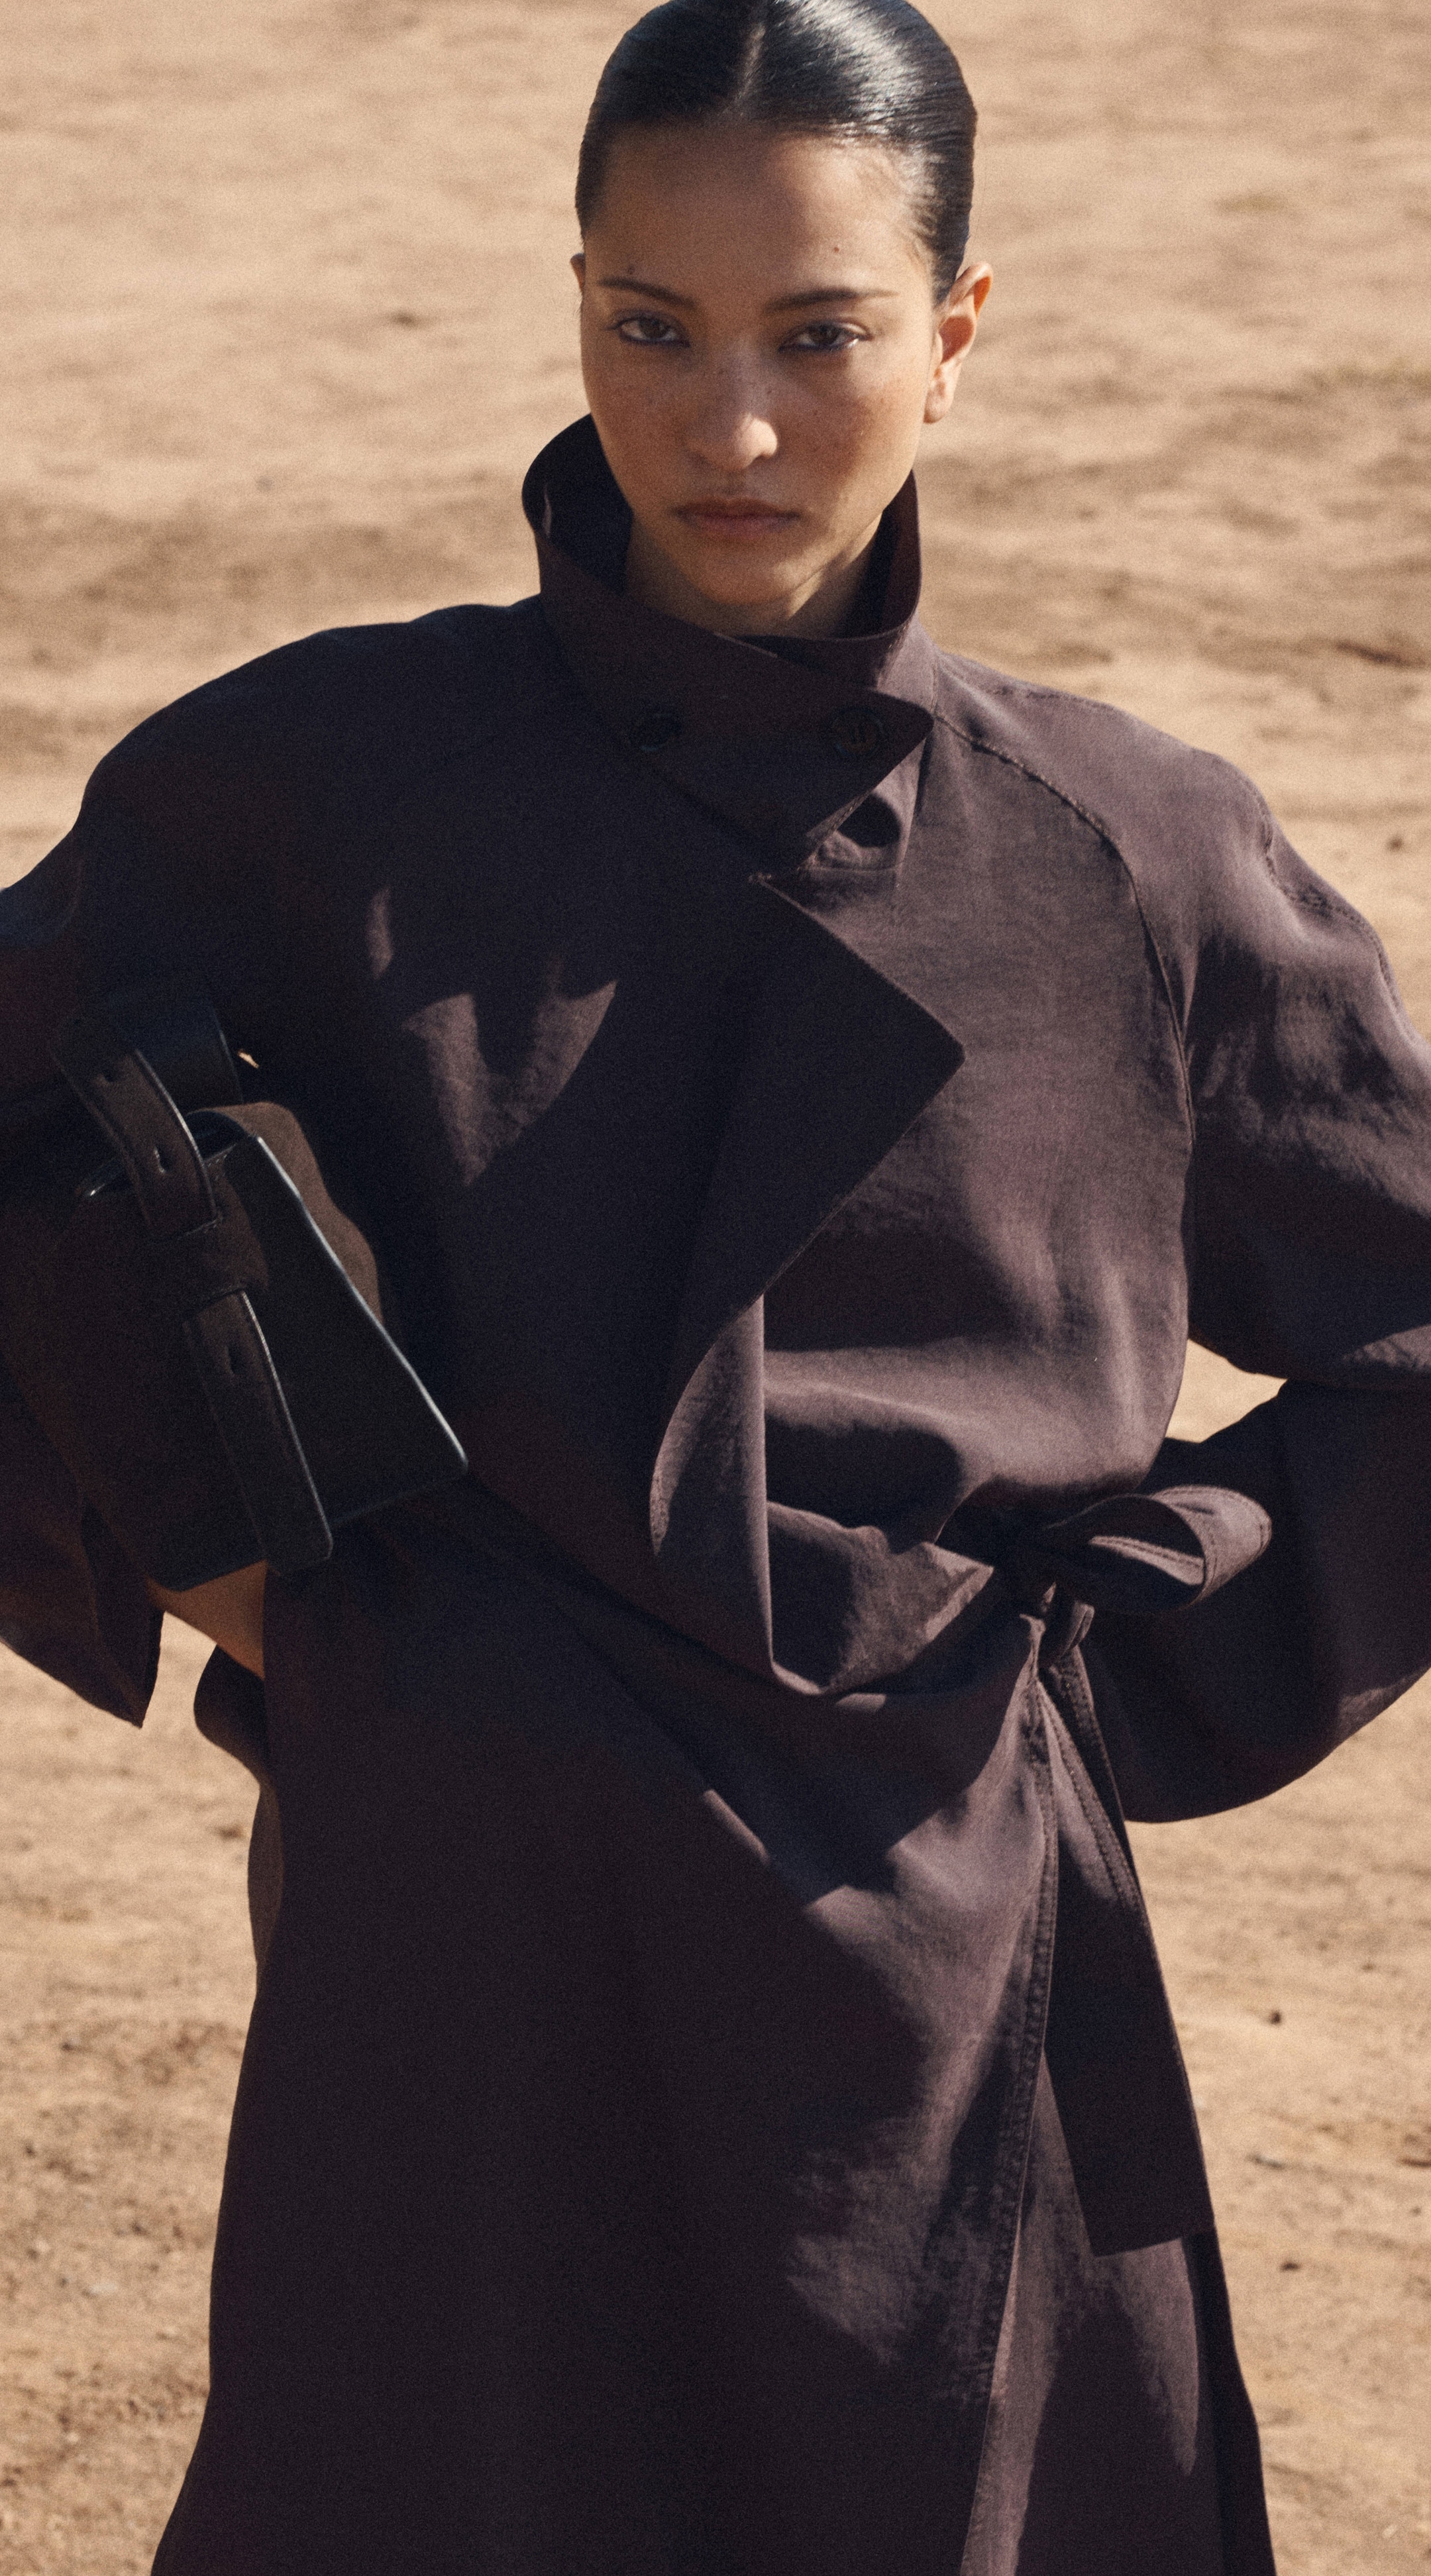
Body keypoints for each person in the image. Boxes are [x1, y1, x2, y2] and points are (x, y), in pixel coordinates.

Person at [1, 0, 1428, 2565]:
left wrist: (1108, 1673)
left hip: (945, 2007)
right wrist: (237, 1590)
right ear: (572, 308)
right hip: (458, 1978)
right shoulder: (320, 789)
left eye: (819, 335)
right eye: (650, 330)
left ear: (956, 337)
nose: (729, 430)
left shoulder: (1125, 856)